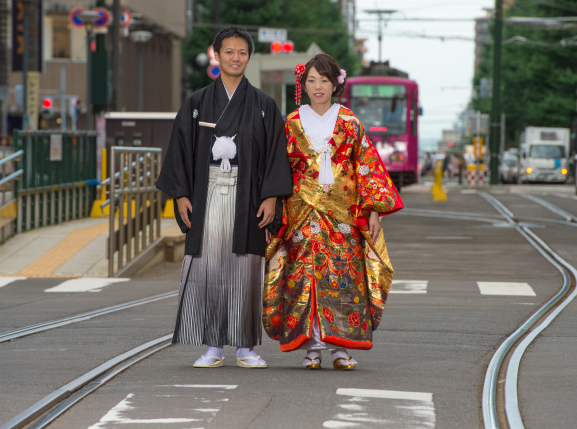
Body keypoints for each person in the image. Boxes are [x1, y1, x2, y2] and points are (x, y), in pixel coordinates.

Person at [156, 26, 292, 369]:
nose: (235, 58)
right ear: (217, 55)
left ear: (249, 57)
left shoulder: (263, 104)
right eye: (229, 51)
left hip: (248, 195)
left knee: (247, 266)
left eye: (242, 52)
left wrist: (271, 198)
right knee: (208, 268)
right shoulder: (197, 102)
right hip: (207, 193)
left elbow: (276, 155)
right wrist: (182, 194)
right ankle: (213, 345)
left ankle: (246, 345)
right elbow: (181, 151)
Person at [263, 54, 403, 371]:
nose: (317, 87)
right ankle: (311, 347)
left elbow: (365, 168)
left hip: (343, 214)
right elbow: (277, 169)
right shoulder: (291, 122)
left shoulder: (351, 123)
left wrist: (373, 211)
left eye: (324, 80)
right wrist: (275, 207)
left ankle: (340, 348)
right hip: (301, 213)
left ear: (335, 84)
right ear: (303, 84)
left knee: (343, 281)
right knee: (304, 279)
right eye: (311, 80)